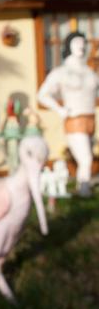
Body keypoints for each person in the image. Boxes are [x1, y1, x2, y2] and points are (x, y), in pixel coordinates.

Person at [37, 31, 99, 196]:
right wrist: (60, 109)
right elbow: (42, 95)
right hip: (74, 119)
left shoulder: (89, 71)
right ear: (68, 46)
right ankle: (84, 189)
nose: (80, 46)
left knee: (86, 157)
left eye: (82, 42)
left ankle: (82, 185)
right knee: (85, 158)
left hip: (90, 118)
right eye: (76, 42)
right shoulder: (62, 72)